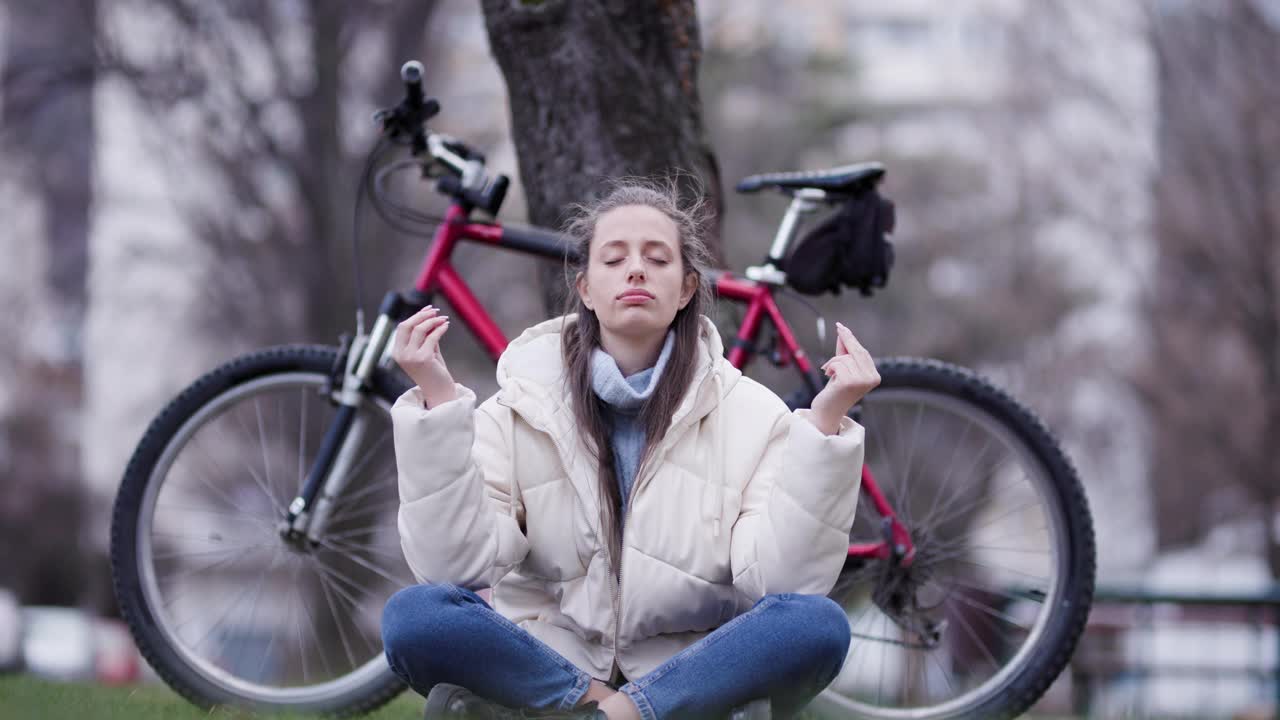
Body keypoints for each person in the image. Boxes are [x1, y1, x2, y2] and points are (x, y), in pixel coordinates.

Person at [381, 181, 880, 720]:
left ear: (688, 288)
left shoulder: (753, 415)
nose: (635, 270)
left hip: (691, 667)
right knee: (417, 616)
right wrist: (436, 402)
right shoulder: (517, 408)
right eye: (614, 259)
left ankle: (608, 715)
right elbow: (452, 563)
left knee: (815, 625)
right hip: (555, 659)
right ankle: (605, 709)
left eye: (657, 258)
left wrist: (826, 423)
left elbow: (785, 582)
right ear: (586, 289)